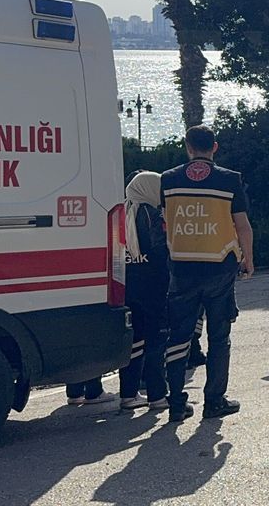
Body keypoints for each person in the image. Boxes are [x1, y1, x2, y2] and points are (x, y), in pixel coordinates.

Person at [160, 124, 254, 423]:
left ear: (187, 147)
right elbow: (242, 225)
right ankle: (214, 401)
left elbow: (166, 221)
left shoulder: (168, 179)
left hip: (182, 266)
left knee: (178, 337)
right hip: (219, 267)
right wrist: (248, 259)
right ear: (214, 147)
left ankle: (176, 404)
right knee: (219, 336)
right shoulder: (229, 179)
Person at [118, 171, 171, 410]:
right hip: (154, 286)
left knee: (134, 341)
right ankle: (157, 395)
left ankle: (128, 394)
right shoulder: (152, 215)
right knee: (157, 341)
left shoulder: (120, 213)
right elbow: (162, 251)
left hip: (128, 287)